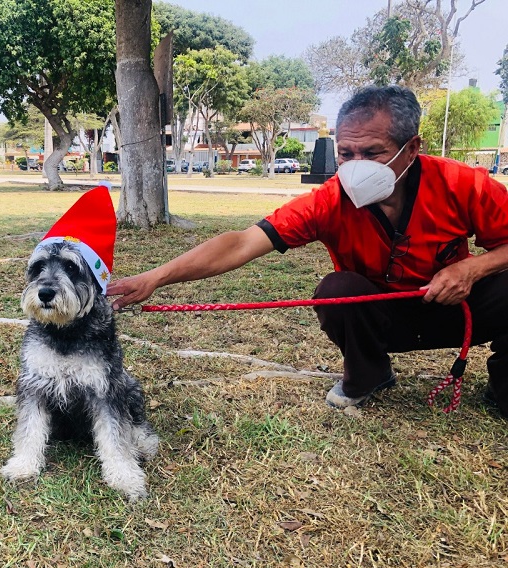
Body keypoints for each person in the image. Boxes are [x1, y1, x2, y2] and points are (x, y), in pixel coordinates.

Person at [107, 85, 508, 417]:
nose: (355, 166)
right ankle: (368, 373)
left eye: (371, 153)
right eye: (345, 153)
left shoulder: (462, 184)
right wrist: (154, 277)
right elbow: (244, 242)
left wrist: (473, 269)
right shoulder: (330, 200)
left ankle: (503, 388)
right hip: (380, 317)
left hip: (454, 305)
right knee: (337, 290)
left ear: (412, 147)